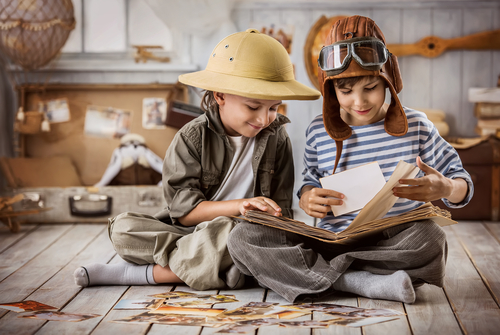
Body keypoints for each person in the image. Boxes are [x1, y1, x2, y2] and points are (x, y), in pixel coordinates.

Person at [227, 16, 473, 303]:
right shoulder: (319, 130)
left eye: (370, 88)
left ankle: (322, 277)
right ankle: (356, 281)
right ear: (331, 90)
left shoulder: (417, 125)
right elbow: (308, 182)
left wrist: (446, 188)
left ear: (388, 80)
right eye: (345, 92)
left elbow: (463, 183)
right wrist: (307, 198)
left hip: (393, 241)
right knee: (244, 237)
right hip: (332, 243)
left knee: (431, 240)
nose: (359, 102)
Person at [73, 29, 320, 290]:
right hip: (190, 231)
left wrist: (263, 219)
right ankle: (230, 269)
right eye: (253, 107)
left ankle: (137, 274)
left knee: (236, 235)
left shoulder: (277, 138)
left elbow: (280, 215)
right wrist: (240, 205)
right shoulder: (191, 138)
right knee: (124, 229)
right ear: (220, 96)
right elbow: (185, 214)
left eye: (273, 108)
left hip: (242, 235)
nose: (263, 119)